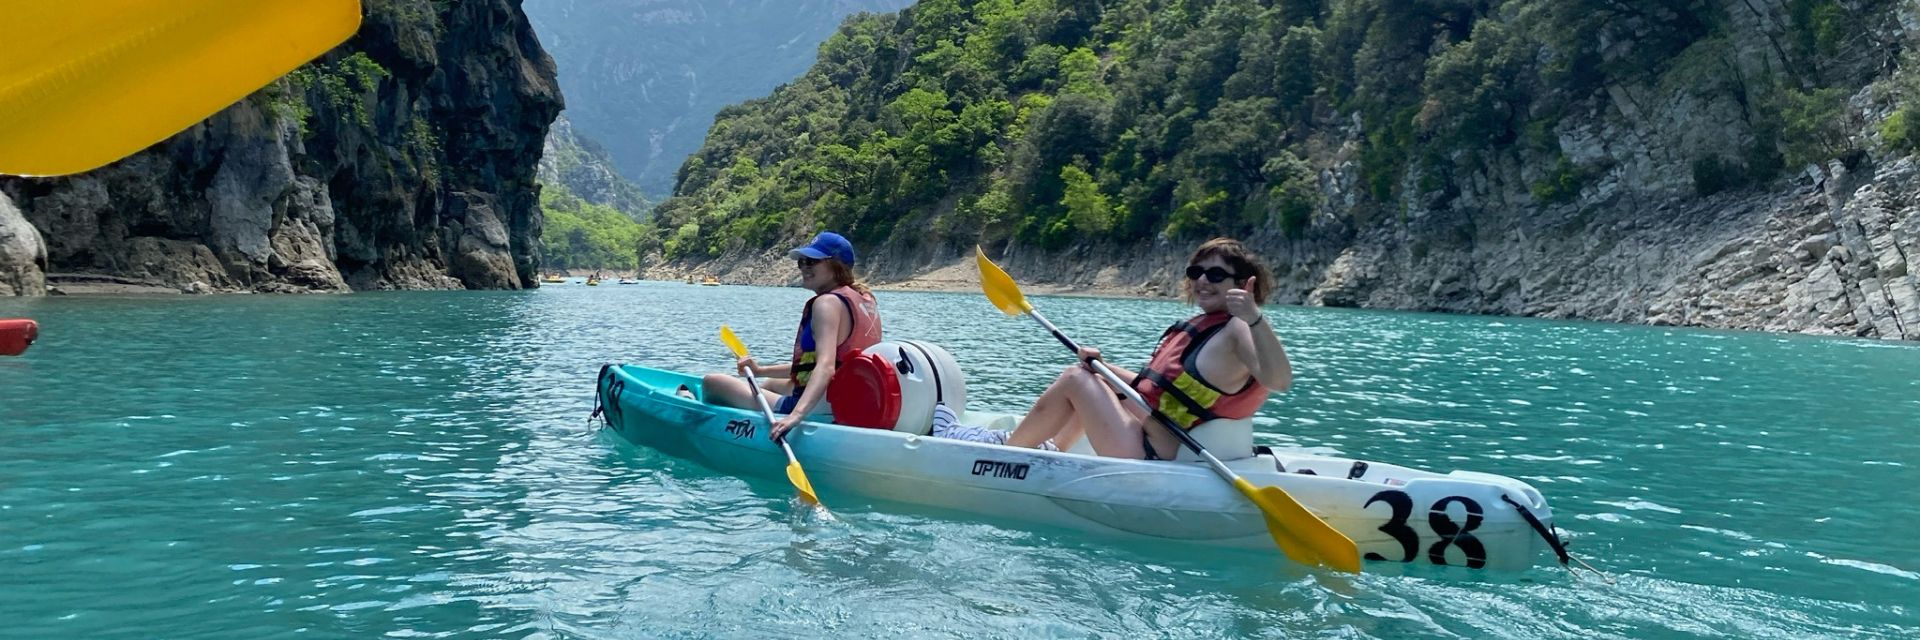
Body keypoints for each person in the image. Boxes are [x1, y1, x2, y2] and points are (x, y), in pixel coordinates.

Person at [1004, 237, 1292, 460]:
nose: (1203, 280)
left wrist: (1254, 317)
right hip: (1162, 438)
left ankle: (1006, 454)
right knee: (1093, 373)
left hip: (1152, 452)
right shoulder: (1215, 325)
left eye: (1216, 275)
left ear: (1241, 284)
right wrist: (1103, 367)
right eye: (1196, 272)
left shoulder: (1238, 328)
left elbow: (1278, 382)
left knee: (1074, 379)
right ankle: (1054, 449)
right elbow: (1159, 393)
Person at [702, 231, 883, 440]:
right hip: (845, 401)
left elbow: (826, 366)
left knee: (712, 382)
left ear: (835, 265)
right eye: (802, 262)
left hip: (820, 406)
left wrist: (796, 415)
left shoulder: (826, 303)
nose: (804, 267)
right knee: (769, 384)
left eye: (812, 262)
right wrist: (760, 370)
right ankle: (754, 419)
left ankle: (710, 423)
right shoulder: (864, 300)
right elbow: (825, 364)